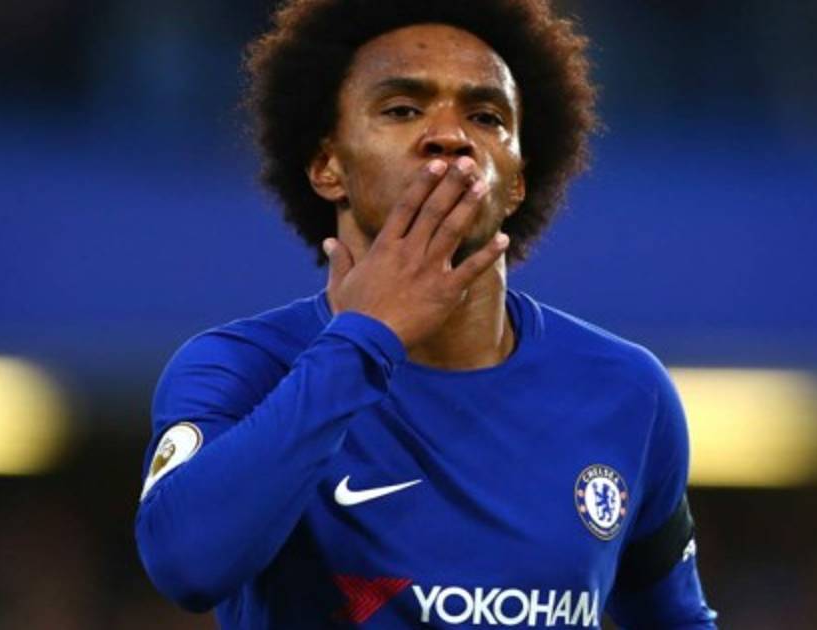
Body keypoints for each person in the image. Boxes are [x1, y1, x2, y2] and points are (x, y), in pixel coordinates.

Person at [135, 0, 718, 627]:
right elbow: (188, 567)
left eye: (486, 116)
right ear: (328, 166)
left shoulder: (625, 390)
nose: (450, 136)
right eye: (402, 109)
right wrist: (364, 339)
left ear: (517, 182)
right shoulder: (240, 368)